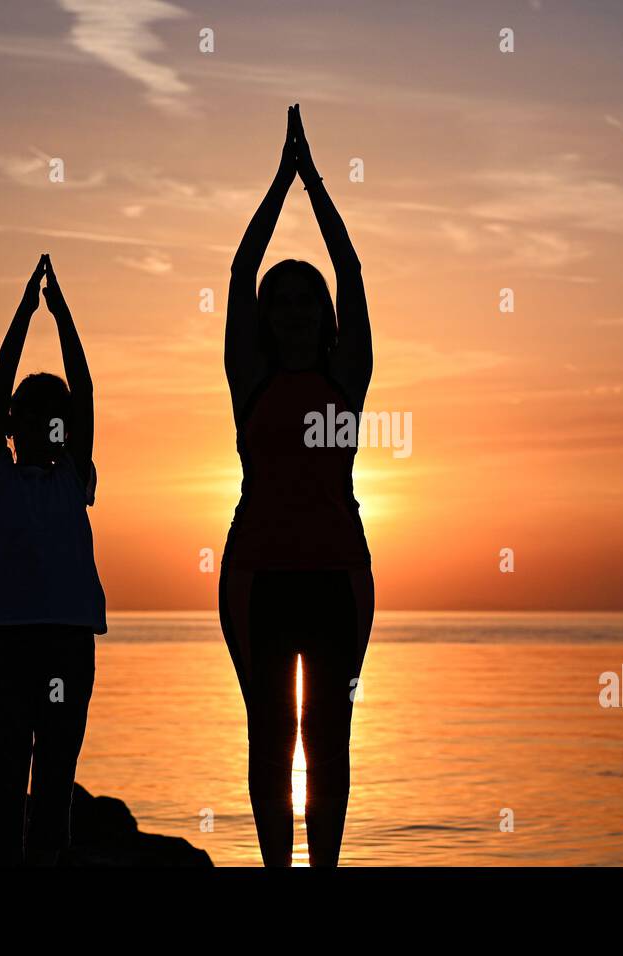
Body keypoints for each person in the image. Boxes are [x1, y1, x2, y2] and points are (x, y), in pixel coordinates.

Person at [220, 105, 376, 867]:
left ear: (322, 315)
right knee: (268, 733)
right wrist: (277, 184)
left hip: (339, 579)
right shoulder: (249, 382)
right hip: (257, 578)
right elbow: (238, 272)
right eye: (279, 302)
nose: (291, 312)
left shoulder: (347, 380)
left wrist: (315, 184)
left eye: (303, 300)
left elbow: (349, 272)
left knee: (331, 736)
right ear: (265, 317)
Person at [0, 254, 106, 865]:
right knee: (2, 789)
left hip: (68, 647)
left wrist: (63, 315)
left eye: (58, 420)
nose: (47, 426)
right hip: (8, 647)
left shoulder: (76, 475)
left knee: (53, 789)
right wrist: (24, 315)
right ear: (15, 427)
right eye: (33, 417)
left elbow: (86, 388)